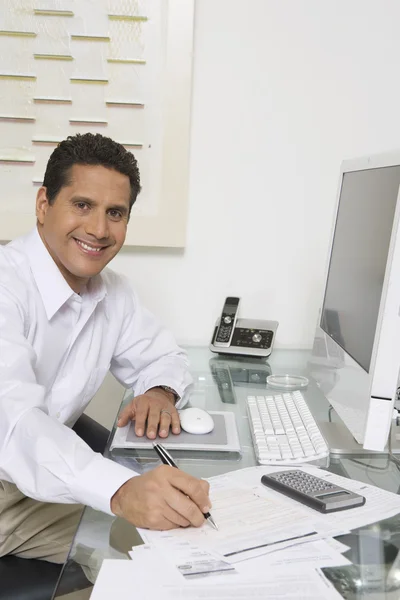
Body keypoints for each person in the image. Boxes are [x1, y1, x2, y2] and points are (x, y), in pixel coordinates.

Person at [0, 132, 211, 565]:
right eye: (82, 205)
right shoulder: (6, 287)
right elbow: (14, 423)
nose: (99, 229)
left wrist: (159, 392)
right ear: (44, 205)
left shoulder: (113, 293)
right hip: (10, 484)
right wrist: (119, 491)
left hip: (42, 482)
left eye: (115, 213)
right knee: (147, 553)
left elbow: (164, 357)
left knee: (180, 534)